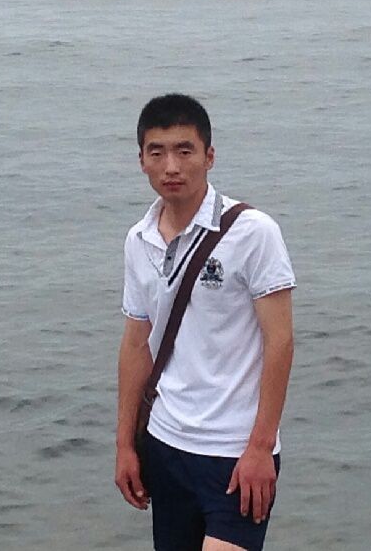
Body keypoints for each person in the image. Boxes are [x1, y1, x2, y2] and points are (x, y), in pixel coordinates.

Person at [115, 93, 295, 551]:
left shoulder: (254, 232)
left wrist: (261, 448)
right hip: (166, 445)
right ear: (141, 161)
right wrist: (125, 445)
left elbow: (280, 341)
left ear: (209, 156)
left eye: (185, 151)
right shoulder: (139, 239)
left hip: (235, 453)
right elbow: (136, 343)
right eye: (157, 153)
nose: (171, 166)